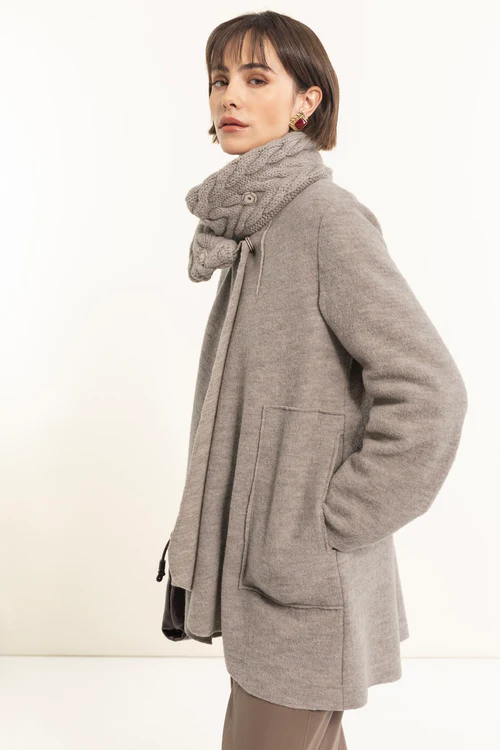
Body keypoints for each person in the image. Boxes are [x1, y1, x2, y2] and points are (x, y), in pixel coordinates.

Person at [163, 10, 468, 750]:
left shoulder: (325, 220)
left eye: (256, 78)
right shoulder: (260, 224)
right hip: (268, 579)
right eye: (220, 80)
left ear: (307, 100)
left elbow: (431, 391)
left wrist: (327, 523)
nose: (230, 96)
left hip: (302, 582)